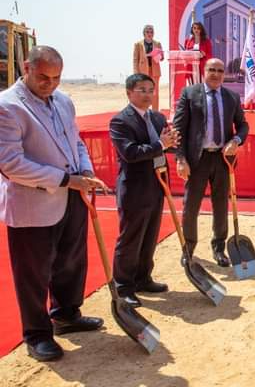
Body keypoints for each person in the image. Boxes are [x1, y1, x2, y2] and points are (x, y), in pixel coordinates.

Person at [0, 46, 107, 361]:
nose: (50, 84)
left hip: (71, 195)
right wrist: (64, 180)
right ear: (26, 67)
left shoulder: (63, 101)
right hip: (32, 204)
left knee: (71, 261)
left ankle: (66, 314)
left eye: (56, 77)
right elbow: (11, 164)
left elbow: (76, 141)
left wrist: (85, 170)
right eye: (43, 77)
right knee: (33, 273)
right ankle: (37, 334)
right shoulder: (8, 106)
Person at [109, 74, 181, 307]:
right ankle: (123, 286)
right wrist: (161, 144)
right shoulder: (121, 121)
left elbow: (165, 147)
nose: (148, 94)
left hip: (157, 183)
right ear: (129, 92)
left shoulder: (158, 117)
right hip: (134, 187)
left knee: (150, 234)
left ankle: (143, 278)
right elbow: (130, 153)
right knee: (131, 237)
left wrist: (173, 143)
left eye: (151, 90)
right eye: (142, 90)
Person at [173, 58, 249, 267]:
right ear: (204, 71)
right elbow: (178, 129)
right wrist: (180, 159)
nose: (216, 74)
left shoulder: (232, 97)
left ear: (224, 74)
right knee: (191, 206)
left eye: (220, 71)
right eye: (212, 70)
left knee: (221, 205)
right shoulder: (190, 94)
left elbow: (243, 125)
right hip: (197, 160)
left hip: (222, 159)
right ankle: (188, 249)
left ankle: (219, 249)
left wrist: (236, 140)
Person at [133, 24, 163, 110]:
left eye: (151, 32)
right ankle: (143, 111)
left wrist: (157, 55)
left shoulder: (157, 43)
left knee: (155, 93)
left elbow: (162, 58)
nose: (150, 34)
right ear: (144, 33)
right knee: (143, 92)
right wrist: (136, 74)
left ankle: (155, 112)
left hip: (155, 71)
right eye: (147, 32)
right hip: (143, 72)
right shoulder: (138, 44)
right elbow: (135, 59)